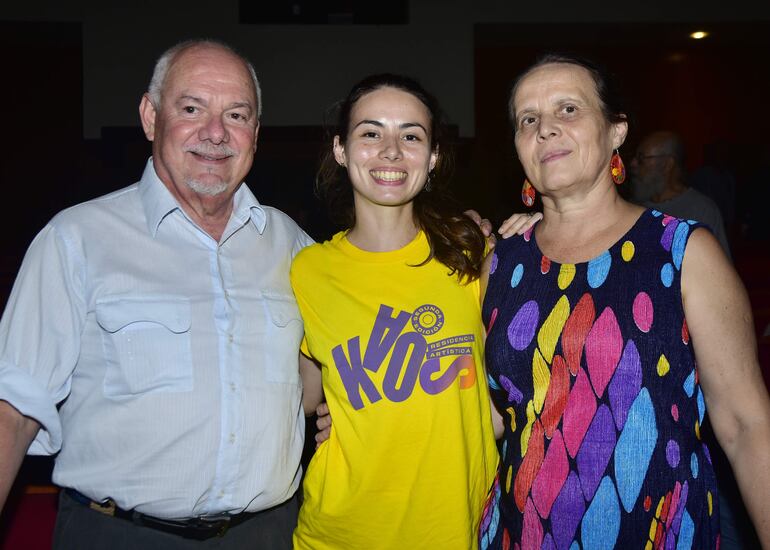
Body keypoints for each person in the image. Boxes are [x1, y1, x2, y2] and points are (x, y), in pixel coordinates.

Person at [0, 39, 315, 548]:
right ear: (150, 117)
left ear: (255, 133)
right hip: (117, 534)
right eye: (191, 109)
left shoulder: (295, 247)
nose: (215, 133)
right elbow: (10, 408)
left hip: (268, 533)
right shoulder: (76, 239)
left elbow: (325, 379)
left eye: (236, 114)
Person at [479, 53, 770, 550]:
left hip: (656, 533)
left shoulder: (684, 251)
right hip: (518, 534)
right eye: (529, 119)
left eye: (568, 110)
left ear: (617, 131)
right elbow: (484, 419)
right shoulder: (499, 264)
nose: (545, 129)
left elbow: (746, 425)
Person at [290, 73, 502, 549]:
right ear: (341, 150)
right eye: (370, 132)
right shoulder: (308, 270)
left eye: (411, 136)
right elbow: (301, 400)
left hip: (454, 529)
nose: (391, 151)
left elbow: (502, 399)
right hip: (340, 533)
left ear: (433, 157)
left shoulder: (473, 254)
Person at [629, 130, 731, 257]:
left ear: (667, 164)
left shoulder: (702, 211)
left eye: (641, 158)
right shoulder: (630, 207)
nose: (633, 163)